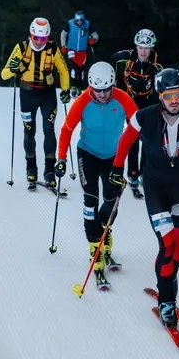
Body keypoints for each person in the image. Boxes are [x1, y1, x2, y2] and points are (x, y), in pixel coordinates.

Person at [110, 67, 179, 330]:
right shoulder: (144, 117)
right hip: (156, 190)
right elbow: (125, 142)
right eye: (168, 95)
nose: (174, 101)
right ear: (160, 96)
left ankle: (167, 278)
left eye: (178, 95)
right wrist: (117, 169)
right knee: (168, 246)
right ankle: (167, 301)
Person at [56, 61, 138, 287]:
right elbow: (66, 130)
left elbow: (139, 123)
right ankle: (95, 247)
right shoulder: (83, 101)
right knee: (90, 198)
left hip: (114, 156)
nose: (102, 94)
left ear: (113, 85)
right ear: (91, 86)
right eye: (97, 90)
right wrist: (61, 158)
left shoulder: (122, 99)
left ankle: (104, 231)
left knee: (113, 200)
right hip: (88, 154)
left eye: (106, 89)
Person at [1, 17, 70, 187]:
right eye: (36, 38)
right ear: (30, 35)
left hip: (47, 94)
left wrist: (66, 89)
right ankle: (31, 167)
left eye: (43, 39)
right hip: (27, 94)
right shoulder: (21, 48)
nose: (39, 42)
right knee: (29, 131)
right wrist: (13, 69)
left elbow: (63, 70)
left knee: (49, 129)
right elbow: (4, 74)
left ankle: (49, 170)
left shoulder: (53, 49)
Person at [110, 28, 162, 195]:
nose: (143, 52)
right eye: (140, 47)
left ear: (151, 48)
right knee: (133, 136)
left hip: (148, 104)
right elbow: (111, 65)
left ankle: (145, 173)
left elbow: (161, 88)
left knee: (147, 138)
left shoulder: (157, 65)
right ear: (136, 46)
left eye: (147, 48)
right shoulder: (123, 58)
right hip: (129, 101)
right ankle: (133, 173)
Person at [60, 9, 99, 99]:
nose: (79, 22)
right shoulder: (70, 24)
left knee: (81, 70)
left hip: (82, 51)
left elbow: (95, 35)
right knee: (74, 69)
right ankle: (73, 87)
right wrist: (63, 45)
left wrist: (93, 39)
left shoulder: (87, 24)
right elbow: (63, 34)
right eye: (77, 20)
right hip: (71, 50)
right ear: (75, 19)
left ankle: (79, 87)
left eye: (81, 20)